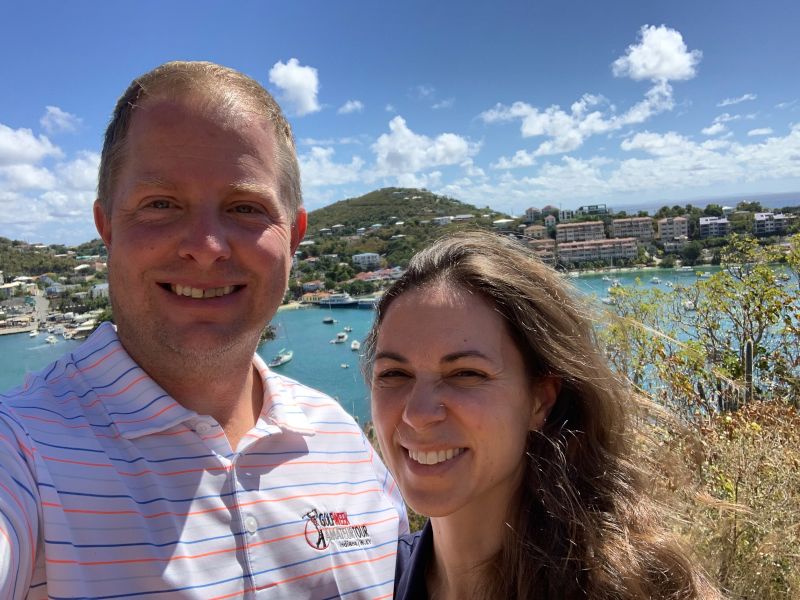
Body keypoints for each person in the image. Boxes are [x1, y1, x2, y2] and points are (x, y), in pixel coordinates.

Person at [0, 61, 407, 599]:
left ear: (294, 235)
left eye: (245, 207)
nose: (206, 245)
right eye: (160, 204)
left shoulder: (344, 444)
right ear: (106, 226)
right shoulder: (23, 450)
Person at [362, 231, 719, 600]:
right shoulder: (372, 581)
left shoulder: (625, 587)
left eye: (466, 374)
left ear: (540, 400)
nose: (418, 415)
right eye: (394, 374)